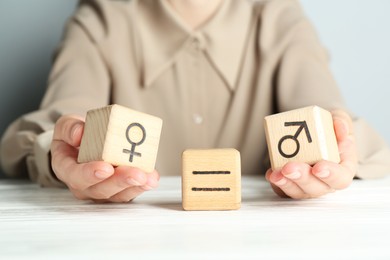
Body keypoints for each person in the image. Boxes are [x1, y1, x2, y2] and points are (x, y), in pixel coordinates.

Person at [1, 0, 390, 202]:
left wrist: (337, 143)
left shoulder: (281, 20)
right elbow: (50, 127)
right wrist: (59, 151)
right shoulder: (100, 22)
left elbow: (325, 115)